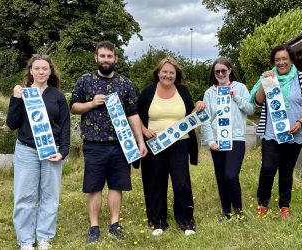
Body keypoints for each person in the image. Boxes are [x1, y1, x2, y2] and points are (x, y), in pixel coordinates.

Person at [70, 41, 148, 243]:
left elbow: (133, 114)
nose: (106, 60)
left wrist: (140, 141)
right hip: (94, 143)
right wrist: (91, 103)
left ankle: (115, 224)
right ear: (96, 58)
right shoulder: (84, 81)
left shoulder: (125, 83)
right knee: (94, 186)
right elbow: (74, 107)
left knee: (117, 185)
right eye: (102, 56)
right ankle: (94, 227)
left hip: (121, 144)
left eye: (109, 56)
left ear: (116, 59)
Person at [6, 54, 70, 250]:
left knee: (49, 196)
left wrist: (64, 151)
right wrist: (16, 100)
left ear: (50, 72)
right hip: (26, 150)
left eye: (45, 68)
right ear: (31, 71)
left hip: (51, 150)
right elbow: (12, 124)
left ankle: (44, 237)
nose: (41, 71)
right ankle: (25, 240)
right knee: (24, 196)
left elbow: (65, 126)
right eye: (37, 68)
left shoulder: (57, 97)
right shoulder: (23, 94)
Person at [137, 56, 205, 236]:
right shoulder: (147, 92)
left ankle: (186, 221)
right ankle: (158, 221)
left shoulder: (183, 91)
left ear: (177, 75)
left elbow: (191, 115)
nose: (168, 75)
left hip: (179, 144)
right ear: (158, 73)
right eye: (164, 72)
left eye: (171, 72)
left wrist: (198, 105)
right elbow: (135, 117)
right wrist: (144, 130)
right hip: (154, 145)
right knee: (155, 182)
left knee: (182, 183)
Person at [250, 44, 302, 218]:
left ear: (291, 60)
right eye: (277, 59)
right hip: (271, 134)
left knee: (287, 171)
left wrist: (300, 123)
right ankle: (262, 204)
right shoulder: (269, 78)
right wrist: (263, 83)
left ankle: (284, 206)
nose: (281, 62)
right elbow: (257, 103)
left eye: (284, 59)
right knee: (267, 168)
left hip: (294, 134)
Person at [200, 57, 255, 222]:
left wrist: (236, 97)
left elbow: (251, 109)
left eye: (224, 70)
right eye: (217, 71)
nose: (221, 74)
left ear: (230, 71)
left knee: (231, 175)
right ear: (214, 73)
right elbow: (206, 119)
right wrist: (210, 141)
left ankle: (238, 211)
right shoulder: (209, 93)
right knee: (221, 177)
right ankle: (226, 212)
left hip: (236, 139)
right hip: (217, 140)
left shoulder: (241, 88)